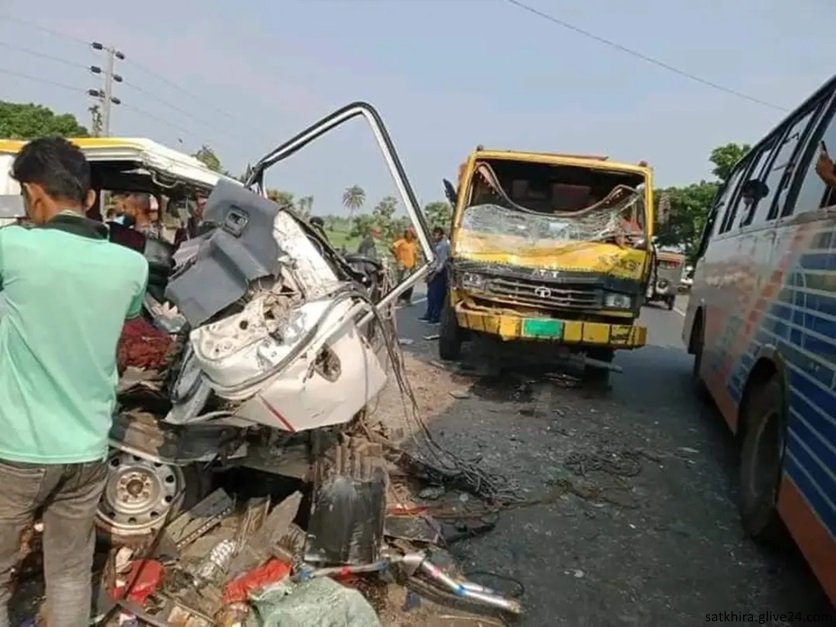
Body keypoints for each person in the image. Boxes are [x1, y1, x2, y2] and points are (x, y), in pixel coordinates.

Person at [0, 137, 148, 627]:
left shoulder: (11, 247)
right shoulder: (131, 265)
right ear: (87, 198)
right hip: (86, 449)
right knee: (68, 575)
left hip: (15, 451)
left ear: (34, 194)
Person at [420, 226, 450, 324]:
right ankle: (429, 314)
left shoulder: (444, 245)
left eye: (438, 234)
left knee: (437, 295)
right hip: (432, 271)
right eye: (434, 234)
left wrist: (435, 274)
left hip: (439, 273)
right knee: (430, 295)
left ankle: (436, 316)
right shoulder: (433, 244)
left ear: (442, 235)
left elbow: (442, 261)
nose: (435, 236)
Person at [390, 227, 418, 304]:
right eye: (407, 233)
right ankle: (399, 299)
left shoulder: (413, 243)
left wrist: (415, 264)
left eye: (410, 233)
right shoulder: (402, 241)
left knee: (411, 283)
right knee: (401, 282)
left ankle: (407, 299)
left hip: (411, 265)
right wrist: (397, 257)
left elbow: (414, 254)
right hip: (402, 265)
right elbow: (392, 248)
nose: (408, 235)